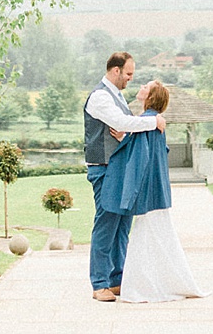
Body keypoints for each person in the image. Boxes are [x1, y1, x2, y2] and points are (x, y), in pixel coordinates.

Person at [100, 82, 203, 303]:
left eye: (146, 86)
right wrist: (126, 138)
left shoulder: (148, 122)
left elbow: (139, 159)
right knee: (159, 238)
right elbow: (150, 150)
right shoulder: (151, 122)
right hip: (158, 194)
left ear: (151, 95)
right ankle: (163, 281)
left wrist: (129, 195)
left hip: (149, 195)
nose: (141, 86)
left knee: (146, 238)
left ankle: (147, 286)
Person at [84, 51, 165, 302]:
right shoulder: (100, 97)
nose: (131, 78)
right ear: (116, 70)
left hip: (118, 168)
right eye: (129, 73)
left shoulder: (116, 95)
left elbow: (123, 127)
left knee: (121, 228)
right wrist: (154, 122)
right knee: (106, 225)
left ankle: (117, 279)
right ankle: (99, 284)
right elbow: (121, 121)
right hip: (104, 168)